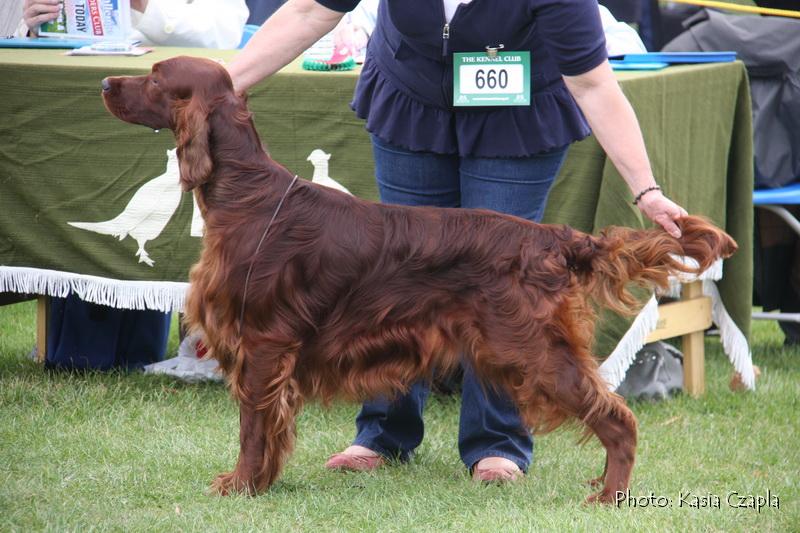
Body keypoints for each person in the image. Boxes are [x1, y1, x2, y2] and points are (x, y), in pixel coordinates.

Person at [226, 0, 688, 483]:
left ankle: (497, 443)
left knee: (503, 289)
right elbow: (307, 12)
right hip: (414, 99)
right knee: (393, 279)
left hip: (517, 111)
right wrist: (222, 85)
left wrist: (646, 190)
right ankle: (383, 433)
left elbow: (593, 83)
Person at [20, 0, 249, 370]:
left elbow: (226, 30)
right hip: (81, 104)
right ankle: (76, 345)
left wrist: (141, 5)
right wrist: (38, 25)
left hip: (168, 106)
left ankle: (168, 345)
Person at [21, 0, 249, 49]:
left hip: (169, 100)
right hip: (73, 88)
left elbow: (224, 36)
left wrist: (143, 6)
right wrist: (37, 27)